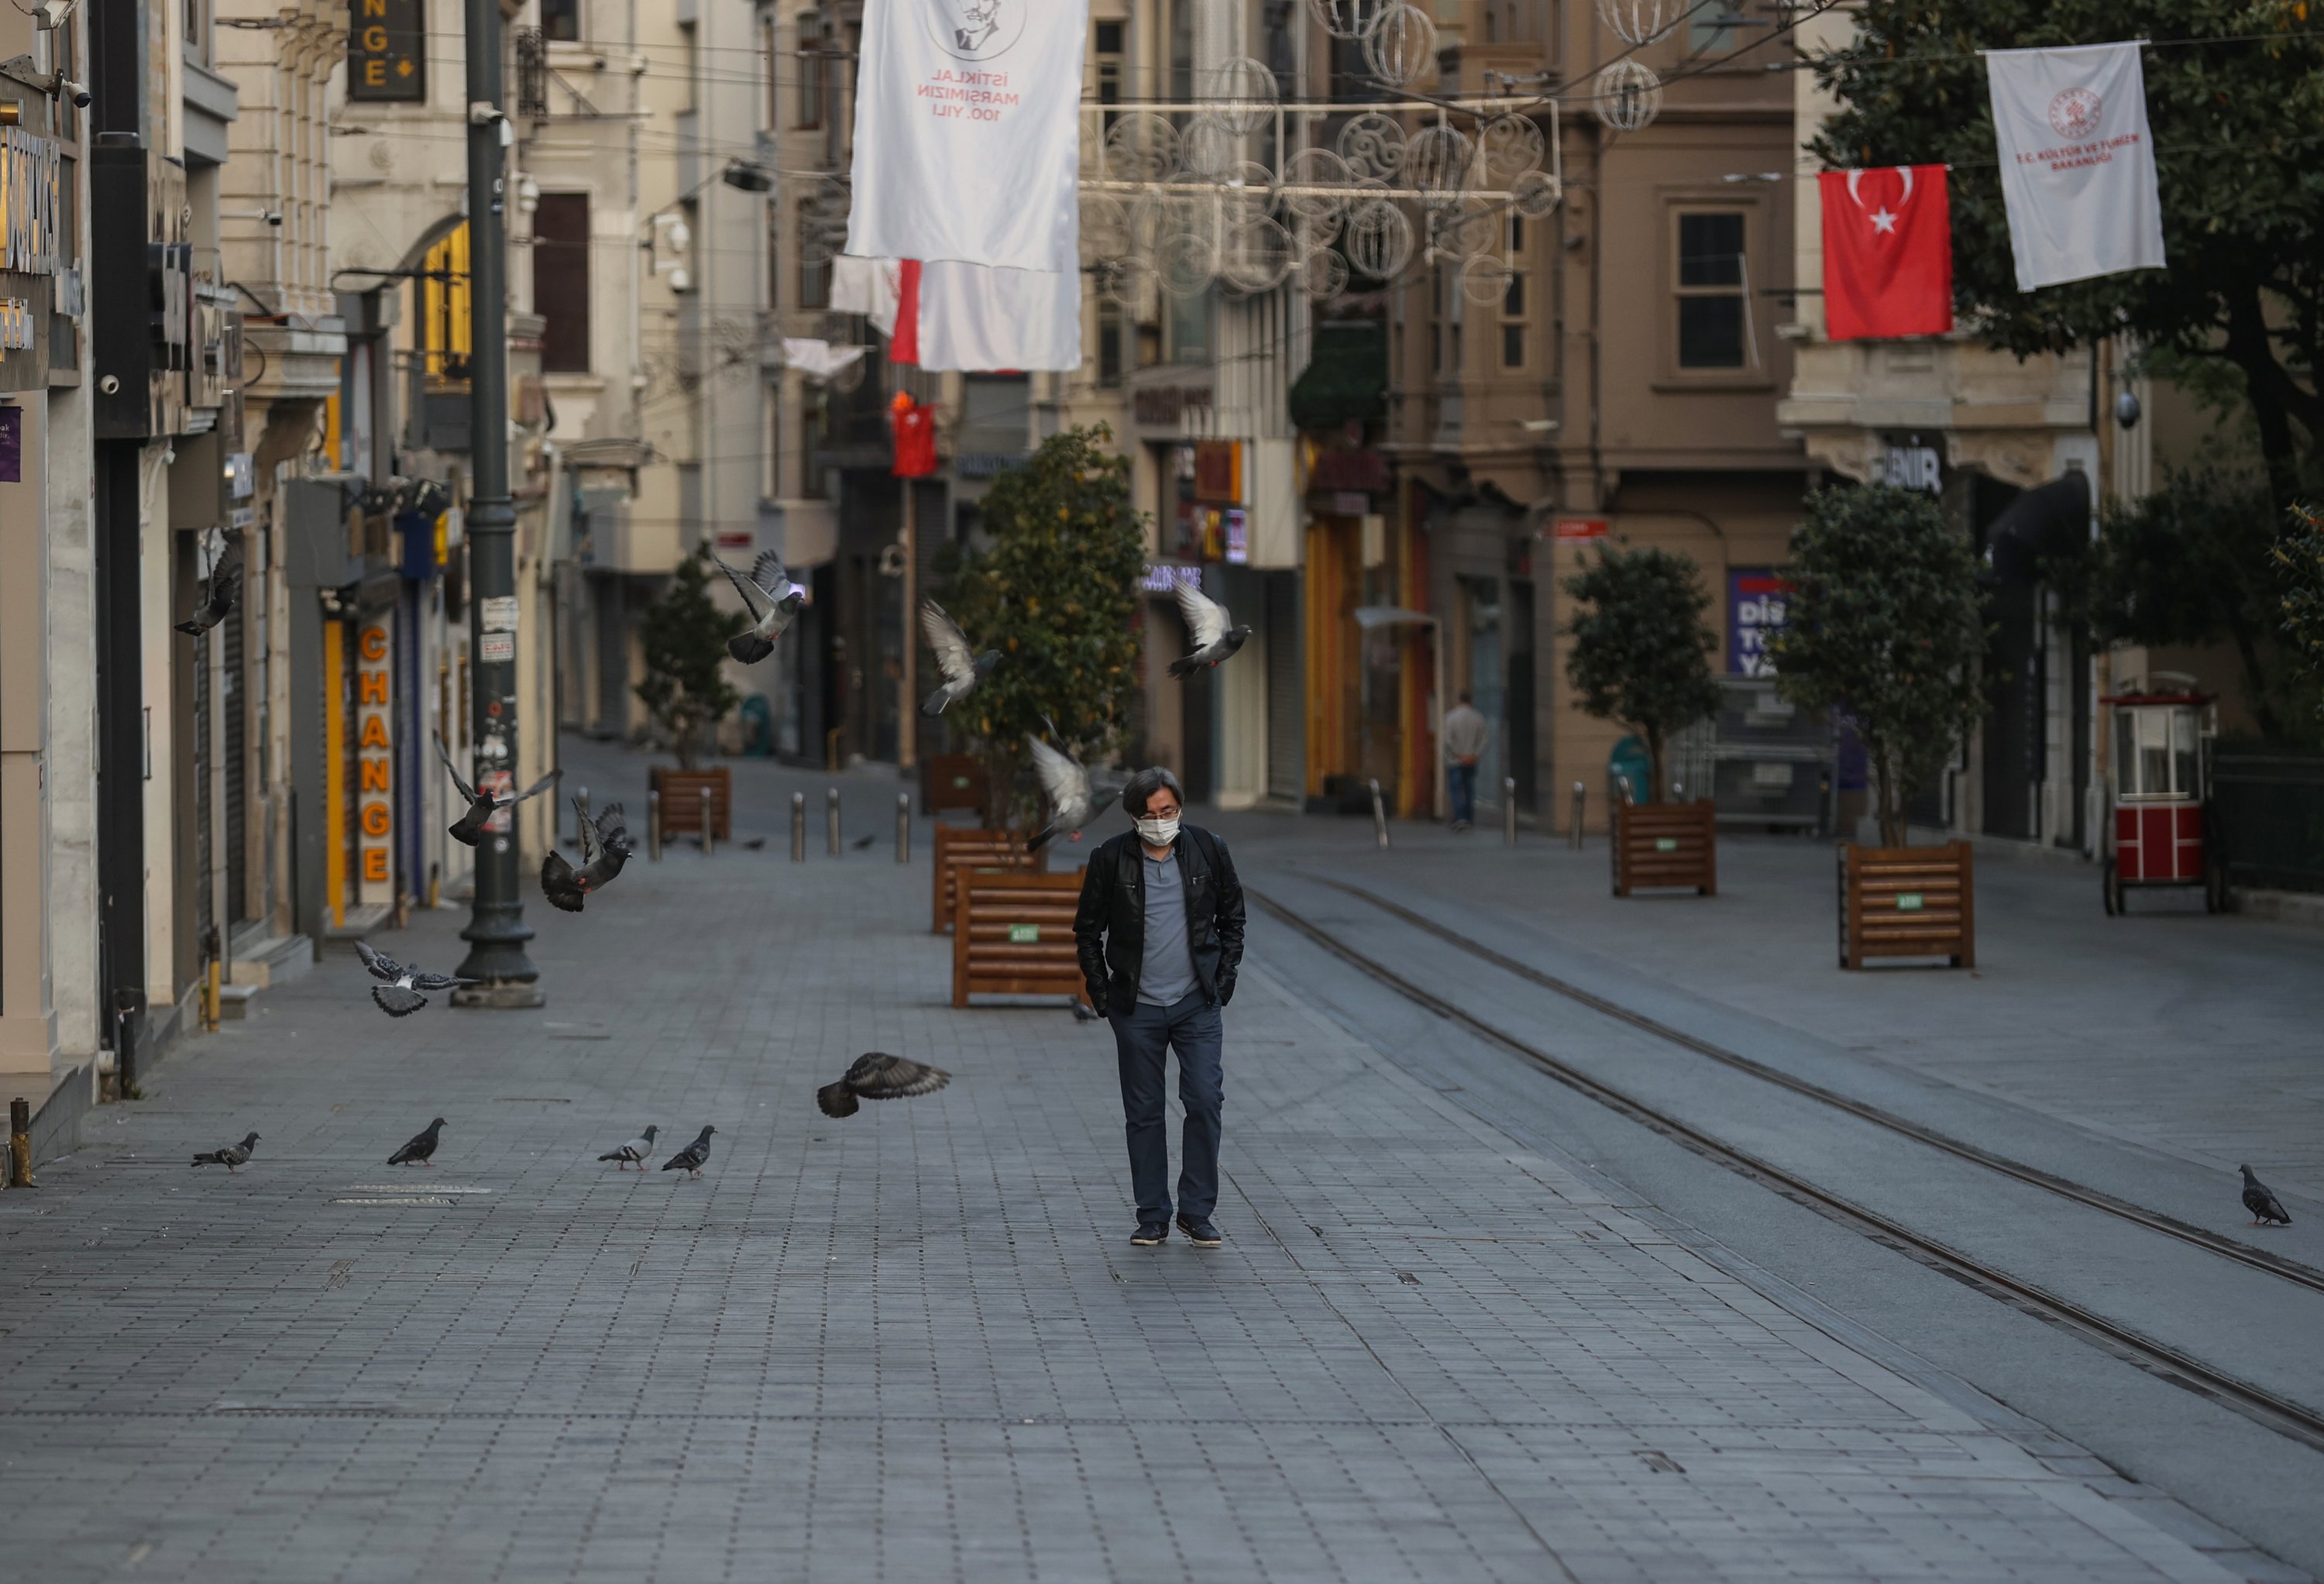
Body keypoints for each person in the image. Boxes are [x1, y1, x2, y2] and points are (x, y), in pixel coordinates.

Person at [1073, 767, 1246, 1249]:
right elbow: (1087, 930)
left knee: (1206, 1101)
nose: (1160, 821)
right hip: (1137, 1008)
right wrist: (1103, 994)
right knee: (1145, 1112)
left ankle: (1196, 1211)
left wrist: (1223, 981)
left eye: (1167, 811)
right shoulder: (1110, 859)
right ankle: (1152, 1214)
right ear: (1133, 817)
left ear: (1180, 809)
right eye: (1150, 814)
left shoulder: (1209, 849)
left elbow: (1233, 918)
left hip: (1196, 1005)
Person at [1442, 691, 1490, 830]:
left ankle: (1460, 817)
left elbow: (1447, 741)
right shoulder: (1478, 717)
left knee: (1456, 790)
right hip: (1471, 760)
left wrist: (1459, 755)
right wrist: (1474, 754)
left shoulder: (1450, 717)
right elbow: (1485, 738)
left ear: (1459, 700)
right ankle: (1469, 817)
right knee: (1469, 788)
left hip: (1455, 760)